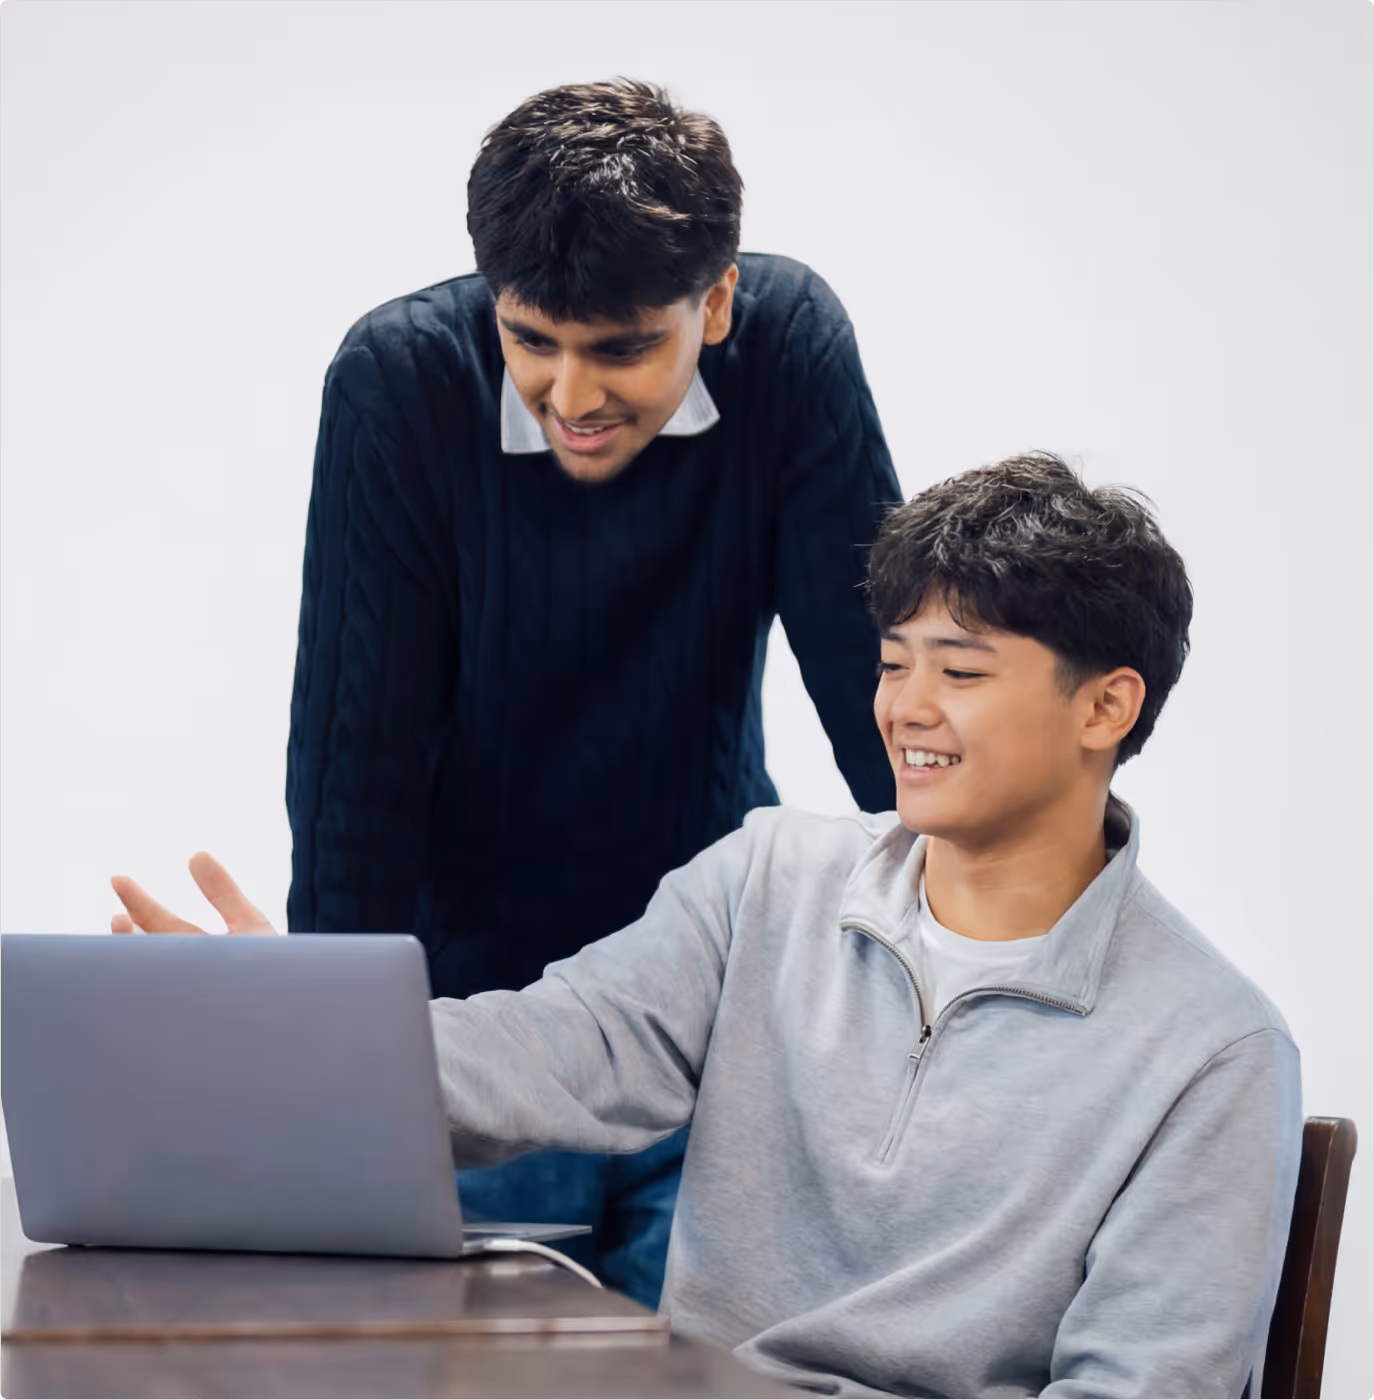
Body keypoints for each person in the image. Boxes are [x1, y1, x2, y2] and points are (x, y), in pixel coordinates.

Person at [113, 454, 1302, 1397]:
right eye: (894, 663)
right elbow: (552, 1050)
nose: (907, 708)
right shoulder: (768, 875)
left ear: (1107, 703)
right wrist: (286, 1026)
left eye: (964, 671)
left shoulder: (1213, 1052)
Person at [279, 78, 901, 1306]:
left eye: (621, 347)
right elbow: (359, 772)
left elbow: (887, 705)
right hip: (477, 1025)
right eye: (531, 342)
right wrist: (337, 1074)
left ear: (715, 302)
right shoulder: (397, 382)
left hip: (721, 1016)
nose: (571, 395)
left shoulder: (789, 348)